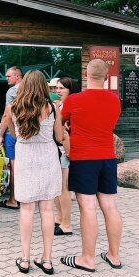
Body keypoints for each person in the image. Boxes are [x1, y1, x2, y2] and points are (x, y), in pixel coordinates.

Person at [60, 59, 123, 272]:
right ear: (105, 77)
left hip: (83, 158)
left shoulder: (74, 100)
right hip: (108, 157)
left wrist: (70, 126)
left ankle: (87, 258)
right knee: (110, 206)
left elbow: (60, 123)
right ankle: (114, 256)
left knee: (88, 208)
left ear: (86, 75)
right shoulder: (115, 100)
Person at [6, 70, 63, 275]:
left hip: (26, 158)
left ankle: (25, 259)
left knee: (26, 209)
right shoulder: (53, 108)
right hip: (47, 157)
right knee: (47, 210)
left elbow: (14, 134)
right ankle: (47, 260)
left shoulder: (13, 108)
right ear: (43, 87)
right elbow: (59, 136)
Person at [54, 77, 80, 236]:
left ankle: (66, 224)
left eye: (62, 88)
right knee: (57, 188)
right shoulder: (61, 105)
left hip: (66, 152)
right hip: (59, 151)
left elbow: (65, 131)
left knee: (64, 188)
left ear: (71, 89)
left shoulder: (72, 106)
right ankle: (60, 217)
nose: (58, 91)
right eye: (56, 88)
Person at [0, 66, 23, 210]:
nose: (6, 78)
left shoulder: (12, 91)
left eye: (9, 76)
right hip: (29, 134)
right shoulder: (32, 89)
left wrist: (1, 135)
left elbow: (7, 116)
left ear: (18, 76)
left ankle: (13, 199)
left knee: (13, 167)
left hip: (13, 134)